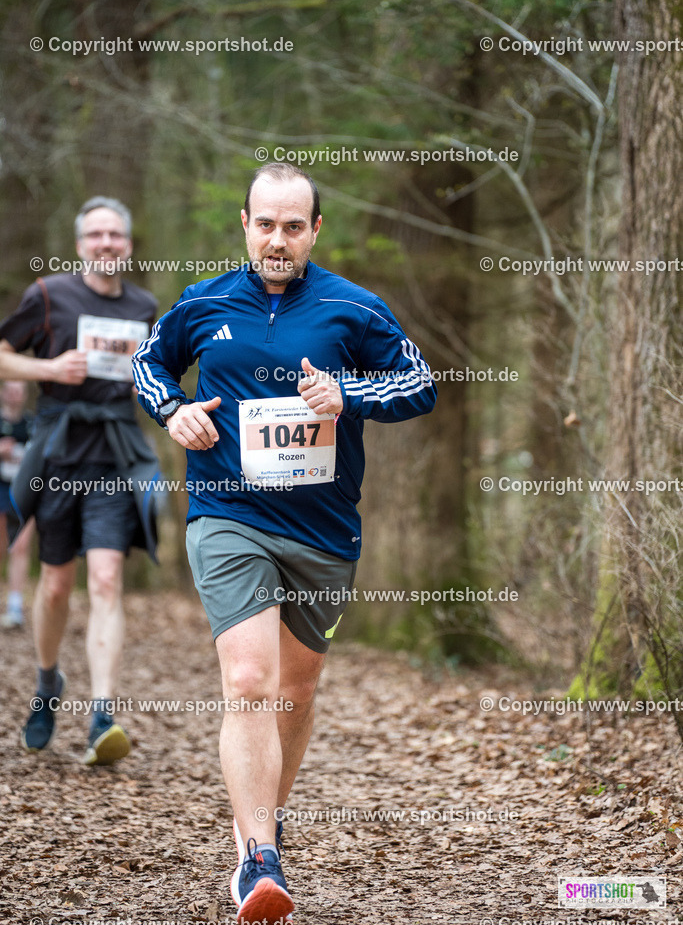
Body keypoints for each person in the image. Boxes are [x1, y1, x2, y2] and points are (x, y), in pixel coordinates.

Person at [132, 162, 437, 925]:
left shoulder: (353, 308)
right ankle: (257, 859)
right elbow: (147, 366)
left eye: (292, 226)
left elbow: (420, 383)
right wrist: (172, 412)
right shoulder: (203, 303)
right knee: (248, 680)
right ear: (244, 223)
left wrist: (350, 393)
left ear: (314, 231)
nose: (277, 240)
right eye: (264, 224)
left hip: (324, 530)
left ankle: (264, 821)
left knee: (295, 695)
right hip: (227, 512)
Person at [0, 196, 159, 766]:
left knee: (108, 578)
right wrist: (48, 369)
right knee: (57, 585)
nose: (107, 243)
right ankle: (47, 683)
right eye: (96, 235)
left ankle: (102, 716)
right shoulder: (48, 296)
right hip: (59, 456)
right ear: (80, 245)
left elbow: (157, 375)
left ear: (129, 245)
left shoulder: (146, 306)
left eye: (116, 235)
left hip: (116, 458)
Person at [0, 380, 35, 629]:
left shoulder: (32, 423)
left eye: (18, 390)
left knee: (21, 546)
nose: (14, 395)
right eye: (10, 390)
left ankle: (15, 606)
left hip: (23, 490)